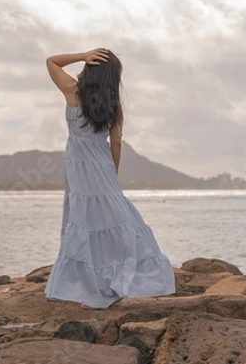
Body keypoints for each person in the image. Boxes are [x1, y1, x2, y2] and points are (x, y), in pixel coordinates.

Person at [44, 48, 176, 309]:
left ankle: (84, 277)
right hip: (103, 168)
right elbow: (116, 145)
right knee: (118, 218)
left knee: (81, 218)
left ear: (91, 69)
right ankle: (123, 266)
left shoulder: (72, 90)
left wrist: (83, 55)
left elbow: (51, 61)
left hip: (78, 169)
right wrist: (112, 174)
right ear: (113, 77)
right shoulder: (113, 107)